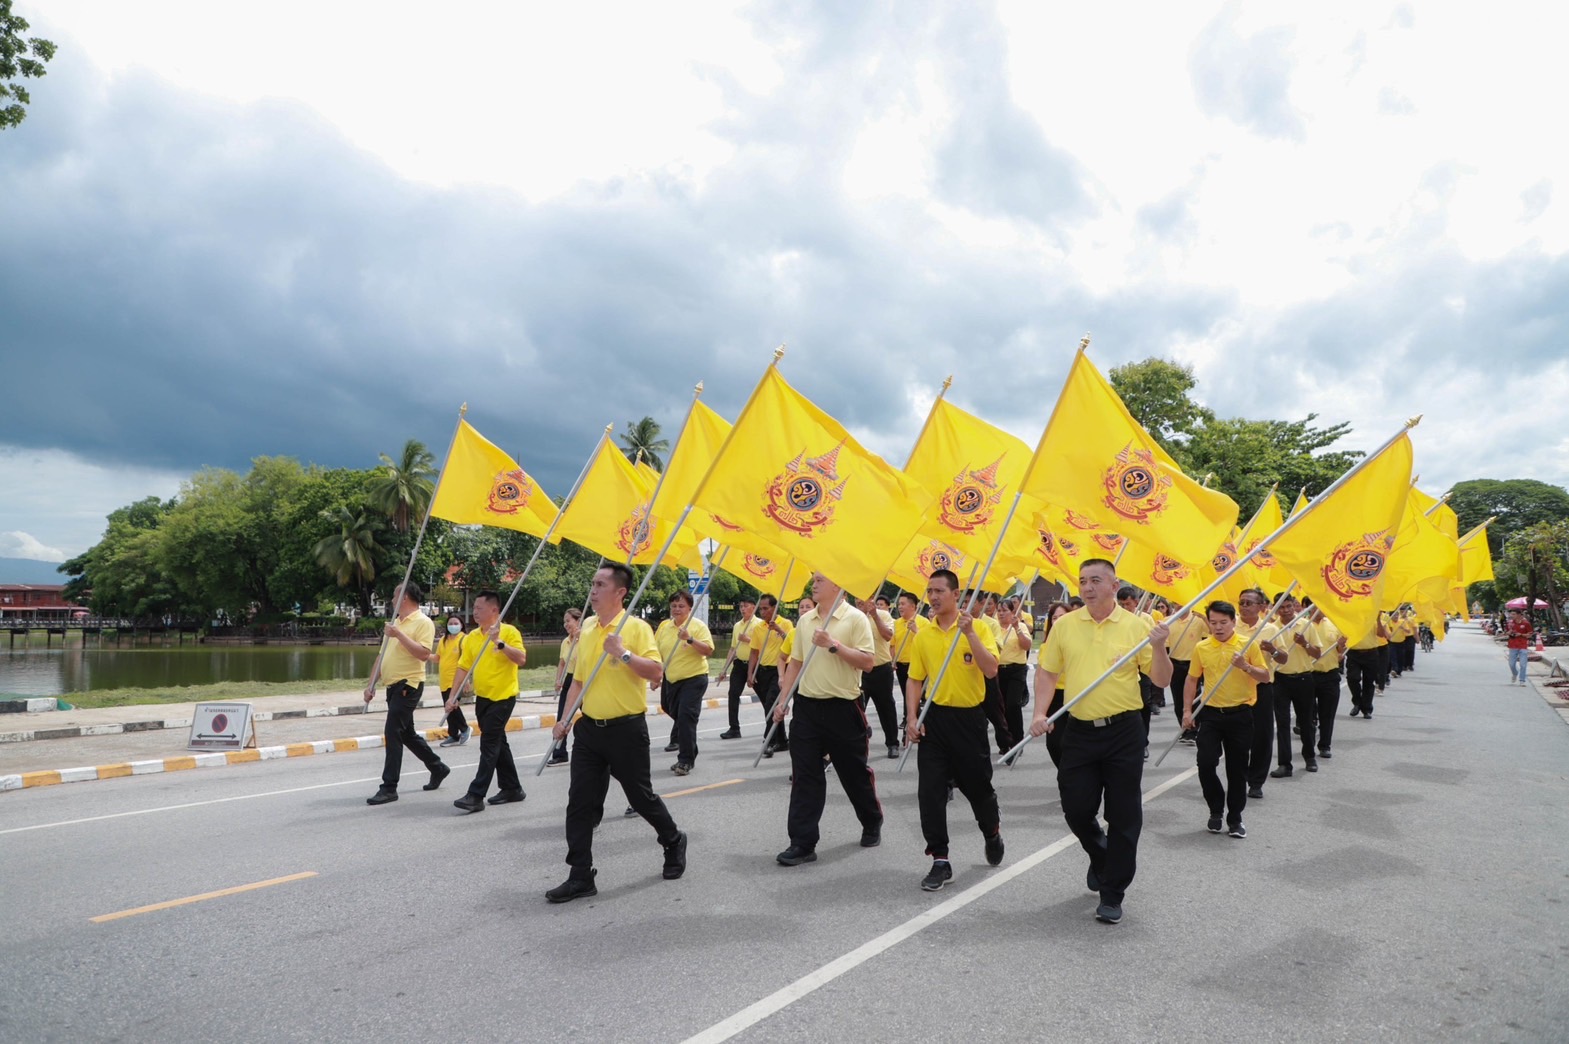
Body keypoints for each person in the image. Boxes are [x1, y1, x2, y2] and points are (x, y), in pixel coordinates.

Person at [1030, 559, 1173, 925]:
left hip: (1123, 732)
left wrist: (1159, 648)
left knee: (1124, 814)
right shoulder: (1064, 626)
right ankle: (1100, 853)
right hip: (1078, 730)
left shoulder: (1136, 625)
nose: (1088, 587)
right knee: (1077, 808)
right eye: (1082, 581)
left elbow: (1160, 679)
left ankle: (1113, 892)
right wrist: (1039, 713)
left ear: (1114, 585)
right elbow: (1047, 671)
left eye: (1096, 580)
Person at [547, 564, 686, 903]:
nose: (592, 591)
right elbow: (577, 681)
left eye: (600, 584)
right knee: (579, 803)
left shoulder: (636, 628)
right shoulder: (588, 628)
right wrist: (564, 720)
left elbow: (656, 671)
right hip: (590, 730)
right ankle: (580, 874)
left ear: (620, 592)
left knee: (640, 798)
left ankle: (672, 839)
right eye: (592, 583)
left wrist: (622, 653)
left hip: (626, 729)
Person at [773, 574, 884, 866]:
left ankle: (871, 820)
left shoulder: (856, 618)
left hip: (844, 708)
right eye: (813, 579)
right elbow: (795, 662)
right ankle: (802, 842)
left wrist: (832, 644)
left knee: (853, 773)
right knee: (806, 776)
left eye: (820, 579)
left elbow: (868, 662)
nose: (814, 584)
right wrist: (783, 700)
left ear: (837, 585)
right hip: (808, 709)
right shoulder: (805, 620)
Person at [904, 569, 1003, 890]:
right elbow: (915, 678)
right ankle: (940, 859)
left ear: (956, 594)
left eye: (938, 591)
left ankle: (991, 831)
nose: (932, 597)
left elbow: (990, 669)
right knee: (930, 793)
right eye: (929, 591)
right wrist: (911, 717)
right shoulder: (924, 634)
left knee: (978, 788)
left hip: (969, 721)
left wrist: (970, 634)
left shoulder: (978, 628)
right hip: (935, 721)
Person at [1184, 600, 1268, 839]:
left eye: (1223, 622)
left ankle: (1235, 819)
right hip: (1210, 714)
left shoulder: (1247, 645)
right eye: (1213, 622)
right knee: (1206, 762)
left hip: (1240, 714)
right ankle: (1215, 808)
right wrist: (1187, 712)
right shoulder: (1202, 648)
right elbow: (1192, 680)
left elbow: (1265, 676)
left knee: (1237, 770)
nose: (1218, 627)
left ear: (1234, 622)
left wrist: (1245, 666)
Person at [364, 582, 447, 805]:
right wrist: (371, 684)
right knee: (407, 734)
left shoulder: (423, 622)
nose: (392, 600)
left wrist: (399, 634)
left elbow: (423, 654)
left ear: (406, 598)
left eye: (395, 595)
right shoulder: (394, 624)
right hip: (392, 687)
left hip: (408, 685)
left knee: (392, 732)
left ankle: (389, 787)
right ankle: (437, 767)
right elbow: (382, 657)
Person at [446, 590, 528, 813]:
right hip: (482, 698)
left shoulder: (509, 632)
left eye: (479, 608)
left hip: (503, 697)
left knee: (489, 743)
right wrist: (453, 696)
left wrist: (499, 643)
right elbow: (463, 667)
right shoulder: (471, 637)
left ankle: (475, 795)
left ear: (494, 610)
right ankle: (512, 788)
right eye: (474, 608)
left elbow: (521, 659)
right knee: (498, 741)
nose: (475, 612)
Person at [655, 590, 714, 776]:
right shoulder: (664, 627)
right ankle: (691, 748)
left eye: (681, 606)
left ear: (689, 608)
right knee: (669, 708)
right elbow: (656, 652)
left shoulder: (697, 626)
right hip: (671, 678)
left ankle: (685, 760)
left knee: (686, 717)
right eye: (674, 606)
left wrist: (689, 638)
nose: (677, 609)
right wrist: (656, 676)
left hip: (694, 678)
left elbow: (708, 650)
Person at [1265, 593, 1322, 779]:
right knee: (1282, 724)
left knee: (1306, 721)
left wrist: (1304, 644)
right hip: (1280, 680)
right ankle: (1284, 764)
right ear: (1275, 608)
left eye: (1289, 606)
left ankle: (1310, 757)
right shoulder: (1272, 629)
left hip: (1304, 679)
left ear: (1295, 606)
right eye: (1281, 607)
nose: (1286, 610)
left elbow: (1318, 654)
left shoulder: (1307, 625)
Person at [748, 594, 795, 756]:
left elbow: (791, 643)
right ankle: (782, 740)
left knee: (770, 705)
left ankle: (768, 741)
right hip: (763, 671)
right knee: (771, 707)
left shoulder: (786, 624)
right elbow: (754, 651)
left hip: (780, 671)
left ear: (774, 608)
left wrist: (779, 630)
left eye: (766, 608)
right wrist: (750, 673)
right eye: (760, 609)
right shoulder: (759, 628)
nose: (763, 612)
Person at [857, 594, 902, 760]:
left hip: (881, 669)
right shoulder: (853, 617)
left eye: (863, 597)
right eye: (857, 598)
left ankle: (892, 744)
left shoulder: (883, 615)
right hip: (860, 670)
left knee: (886, 708)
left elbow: (888, 636)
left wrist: (875, 615)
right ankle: (859, 743)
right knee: (856, 709)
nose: (859, 601)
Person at [1304, 599, 1346, 760]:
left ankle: (1325, 745)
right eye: (1314, 605)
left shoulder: (1334, 625)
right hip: (1308, 675)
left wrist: (1341, 646)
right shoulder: (1303, 626)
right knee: (1308, 714)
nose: (1318, 608)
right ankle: (1308, 745)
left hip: (1329, 675)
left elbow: (1340, 654)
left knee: (1327, 713)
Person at [995, 597, 1032, 761]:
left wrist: (1016, 627)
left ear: (1012, 612)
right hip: (997, 671)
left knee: (1012, 705)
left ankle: (1017, 742)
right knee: (1000, 708)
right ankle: (1004, 742)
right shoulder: (994, 628)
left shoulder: (1020, 626)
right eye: (999, 610)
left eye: (1005, 610)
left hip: (1016, 670)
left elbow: (1027, 646)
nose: (1001, 614)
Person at [718, 596, 760, 738]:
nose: (742, 609)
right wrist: (724, 669)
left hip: (755, 665)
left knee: (764, 696)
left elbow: (764, 646)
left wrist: (748, 640)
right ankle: (734, 728)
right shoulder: (737, 626)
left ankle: (772, 729)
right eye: (741, 606)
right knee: (733, 694)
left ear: (753, 607)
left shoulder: (759, 625)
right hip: (739, 664)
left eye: (746, 606)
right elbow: (733, 649)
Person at [546, 608, 583, 766]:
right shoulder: (565, 641)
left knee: (591, 715)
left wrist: (580, 638)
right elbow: (562, 663)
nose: (565, 624)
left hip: (583, 680)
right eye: (564, 621)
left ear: (577, 621)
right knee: (562, 717)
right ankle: (559, 753)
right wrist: (558, 680)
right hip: (570, 679)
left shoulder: (585, 638)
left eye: (568, 621)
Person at [1039, 601, 1072, 768]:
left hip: (1075, 697)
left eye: (1062, 617)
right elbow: (1042, 678)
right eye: (1054, 618)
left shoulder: (1079, 643)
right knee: (1054, 744)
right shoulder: (1046, 647)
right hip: (1054, 698)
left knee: (1072, 746)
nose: (1058, 621)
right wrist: (1040, 712)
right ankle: (1066, 777)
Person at [434, 613, 472, 748]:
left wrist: (466, 680)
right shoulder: (443, 640)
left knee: (453, 706)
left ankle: (465, 728)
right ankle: (453, 735)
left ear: (461, 625)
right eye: (450, 623)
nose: (453, 626)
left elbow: (468, 661)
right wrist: (424, 655)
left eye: (456, 623)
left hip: (457, 679)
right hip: (444, 680)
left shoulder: (464, 639)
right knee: (448, 707)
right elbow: (437, 658)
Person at [892, 592, 927, 725]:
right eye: (899, 604)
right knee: (907, 696)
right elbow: (893, 644)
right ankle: (912, 721)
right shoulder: (897, 623)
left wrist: (915, 630)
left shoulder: (923, 622)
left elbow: (927, 644)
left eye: (903, 604)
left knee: (915, 697)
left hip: (918, 666)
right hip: (901, 665)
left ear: (913, 606)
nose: (900, 607)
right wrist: (893, 660)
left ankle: (913, 722)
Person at [1345, 615, 1388, 719]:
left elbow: (1381, 634)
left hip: (1370, 653)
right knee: (1352, 678)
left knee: (1369, 682)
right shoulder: (1351, 620)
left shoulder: (1372, 619)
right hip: (1354, 653)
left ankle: (1367, 709)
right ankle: (1357, 702)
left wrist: (1377, 619)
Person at [1506, 608, 1532, 685]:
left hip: (1523, 645)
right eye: (1511, 614)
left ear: (1519, 615)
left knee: (1523, 664)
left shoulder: (1526, 623)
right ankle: (1515, 673)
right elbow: (1506, 632)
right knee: (1511, 664)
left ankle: (1522, 680)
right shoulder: (1510, 623)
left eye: (1514, 614)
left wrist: (1521, 634)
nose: (1512, 616)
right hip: (1513, 645)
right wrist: (1509, 633)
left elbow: (1530, 634)